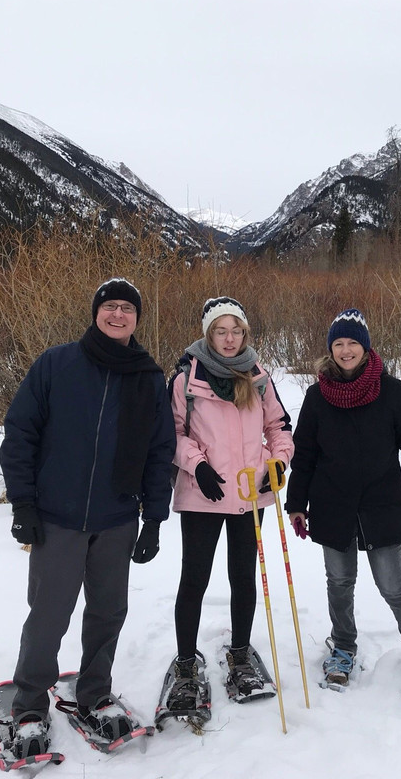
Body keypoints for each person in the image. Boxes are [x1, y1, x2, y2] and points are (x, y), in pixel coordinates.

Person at [0, 277, 174, 756]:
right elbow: (20, 435)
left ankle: (95, 691)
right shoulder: (57, 364)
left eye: (127, 309)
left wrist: (154, 519)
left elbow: (161, 451)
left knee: (107, 612)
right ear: (96, 312)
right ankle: (30, 703)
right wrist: (23, 503)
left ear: (138, 319)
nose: (118, 315)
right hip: (58, 517)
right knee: (50, 614)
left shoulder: (146, 376)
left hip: (117, 518)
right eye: (110, 307)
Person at [285, 308, 401, 694]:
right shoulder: (317, 396)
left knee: (392, 584)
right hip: (333, 506)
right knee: (339, 582)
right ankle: (344, 647)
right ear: (330, 349)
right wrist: (297, 503)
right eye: (339, 343)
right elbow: (304, 454)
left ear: (366, 348)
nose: (346, 350)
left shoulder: (391, 391)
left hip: (380, 504)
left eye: (353, 342)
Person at [165, 296, 294, 708]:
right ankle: (186, 662)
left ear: (245, 333)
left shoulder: (258, 375)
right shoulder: (186, 378)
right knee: (195, 580)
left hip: (249, 493)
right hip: (205, 493)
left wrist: (278, 462)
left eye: (236, 330)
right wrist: (197, 466)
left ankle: (240, 653)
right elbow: (173, 433)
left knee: (244, 576)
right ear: (208, 333)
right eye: (221, 330)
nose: (229, 338)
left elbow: (278, 426)